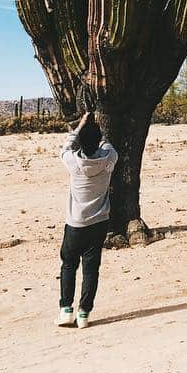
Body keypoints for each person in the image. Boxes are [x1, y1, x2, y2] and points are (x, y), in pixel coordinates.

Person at [57, 111, 117, 329]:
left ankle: (65, 311)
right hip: (99, 223)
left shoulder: (73, 163)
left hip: (75, 224)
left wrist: (80, 125)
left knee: (68, 265)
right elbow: (107, 143)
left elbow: (65, 146)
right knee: (91, 269)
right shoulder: (109, 159)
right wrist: (99, 128)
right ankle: (84, 313)